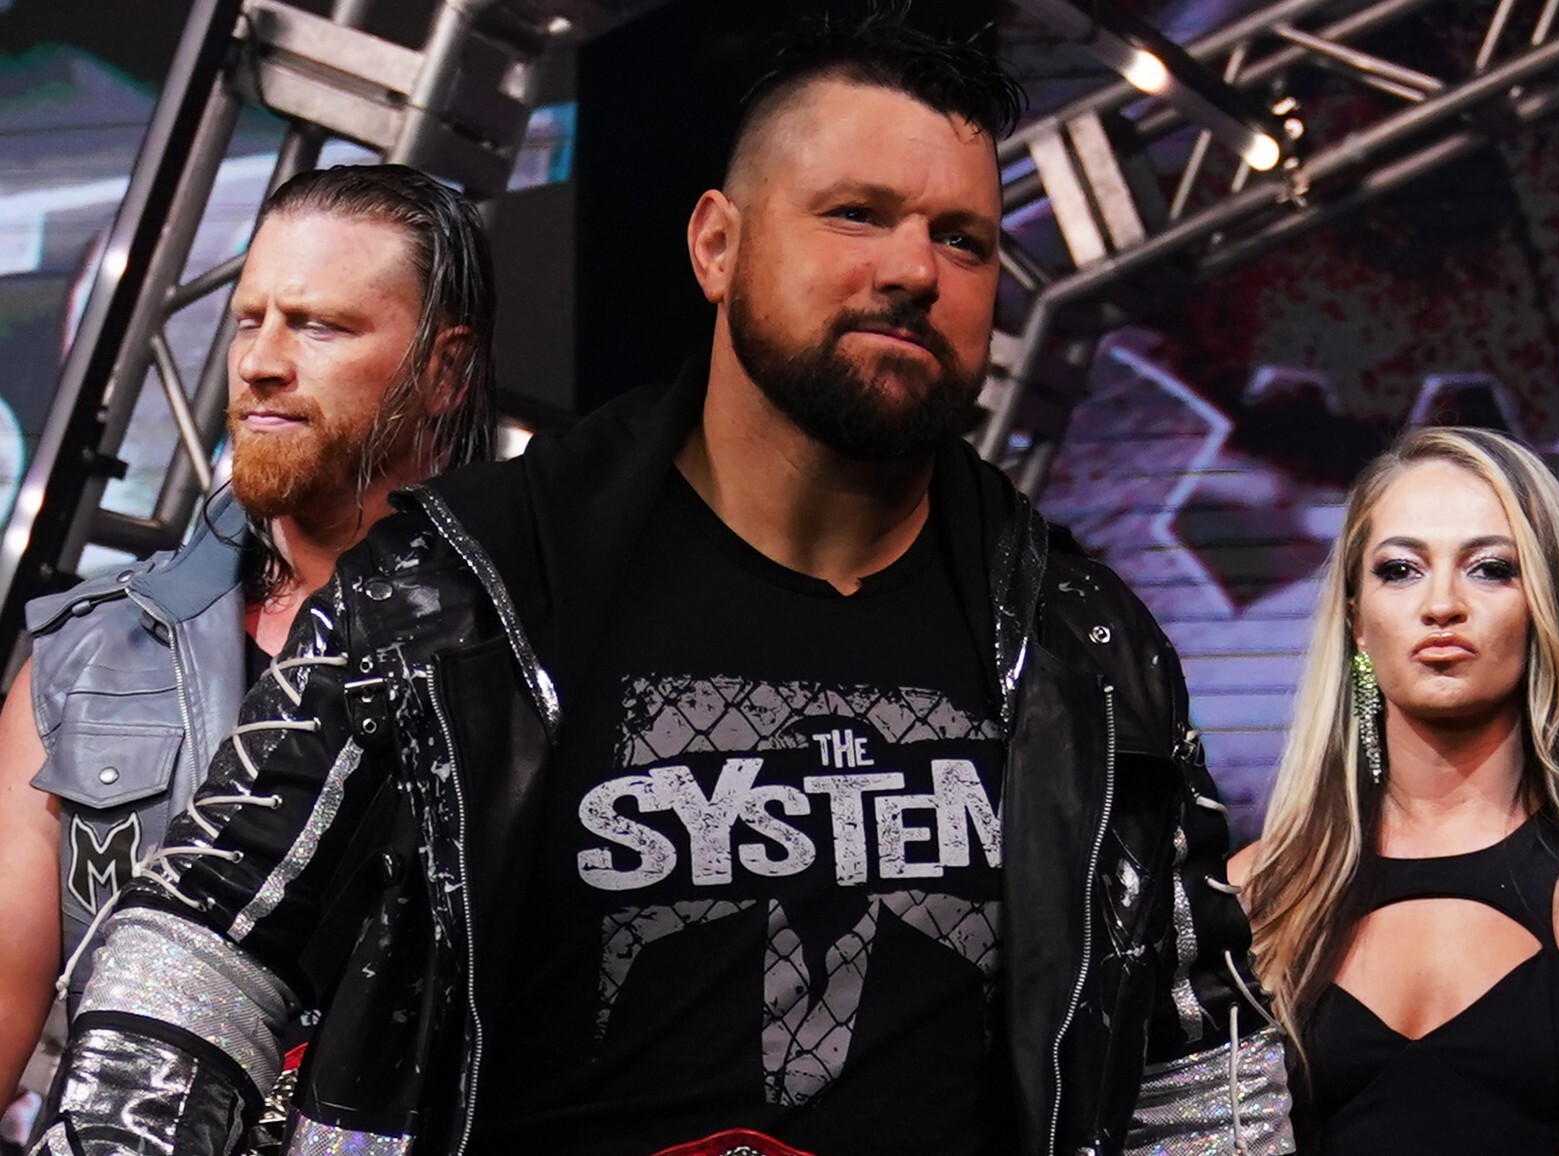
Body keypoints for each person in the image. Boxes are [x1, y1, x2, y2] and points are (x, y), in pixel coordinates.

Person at [28, 15, 1289, 1156]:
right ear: (716, 244)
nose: (916, 269)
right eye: (857, 214)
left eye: (962, 237)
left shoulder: (1086, 649)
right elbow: (201, 938)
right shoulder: (462, 588)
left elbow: (1200, 1071)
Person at [0, 163, 497, 1105]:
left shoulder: (533, 655)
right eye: (247, 321)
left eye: (318, 325)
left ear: (443, 371)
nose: (261, 361)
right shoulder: (88, 658)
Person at [1228, 427, 1559, 1154]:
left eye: (1490, 569)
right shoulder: (1257, 893)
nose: (1441, 604)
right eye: (1400, 570)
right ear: (1356, 619)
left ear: (1546, 605)